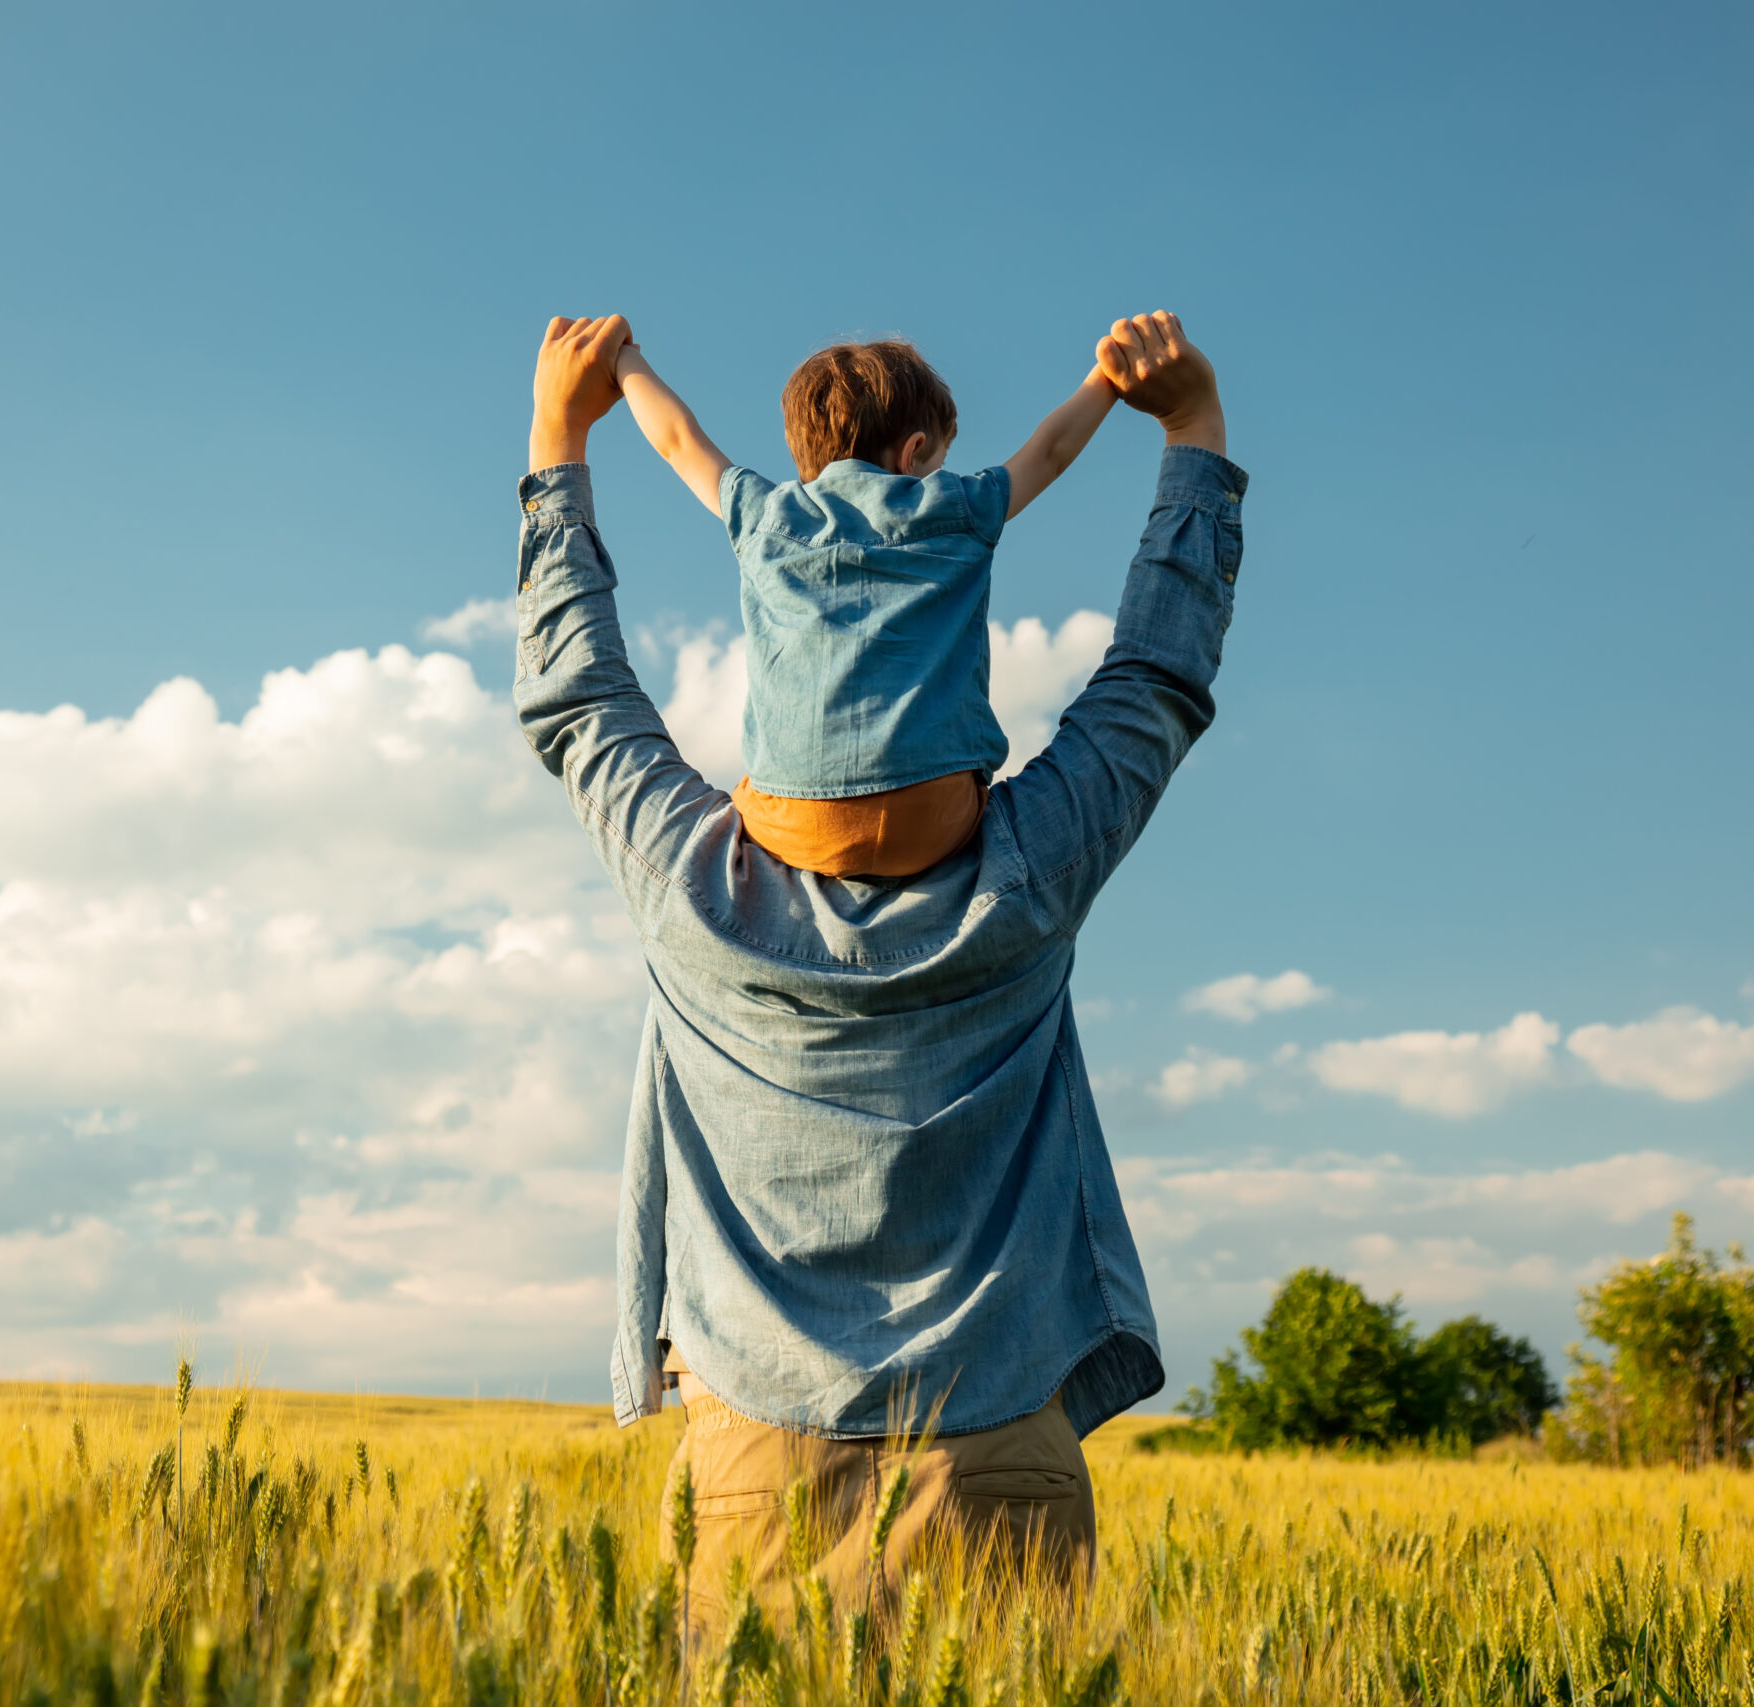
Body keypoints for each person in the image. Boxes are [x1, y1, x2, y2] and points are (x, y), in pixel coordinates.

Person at [512, 311, 1244, 1622]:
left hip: (749, 1478)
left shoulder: (692, 890)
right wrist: (1190, 433)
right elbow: (1155, 678)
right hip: (998, 1461)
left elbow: (578, 700)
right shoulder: (1032, 872)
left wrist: (560, 440)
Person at [612, 334, 1119, 878]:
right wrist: (1107, 379)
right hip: (935, 820)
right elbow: (1051, 451)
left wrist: (623, 360)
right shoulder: (958, 507)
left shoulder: (764, 515)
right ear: (913, 451)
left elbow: (677, 440)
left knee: (739, 795)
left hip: (796, 825)